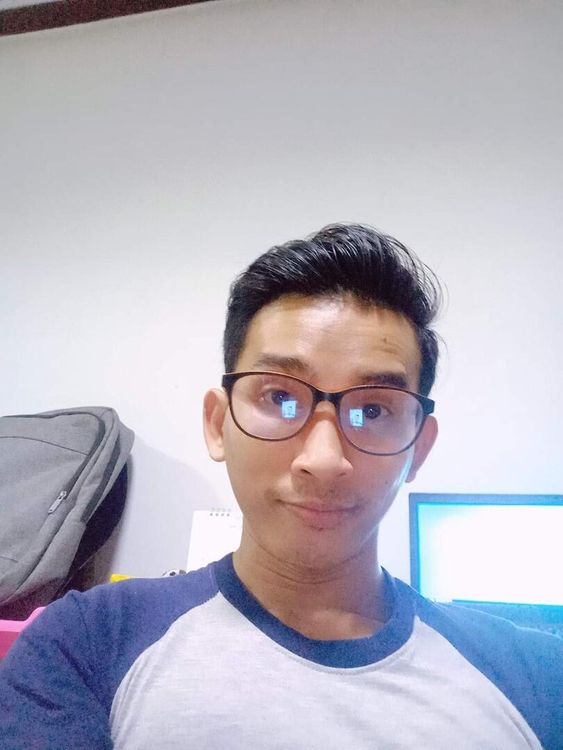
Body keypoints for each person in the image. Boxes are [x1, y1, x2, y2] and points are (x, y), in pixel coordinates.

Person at [0, 223, 561, 749]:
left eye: (373, 410)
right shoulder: (86, 643)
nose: (324, 460)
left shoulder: (538, 675)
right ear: (218, 423)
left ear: (419, 447)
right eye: (280, 398)